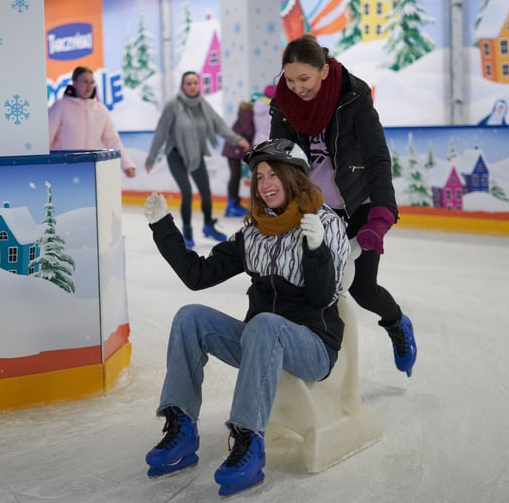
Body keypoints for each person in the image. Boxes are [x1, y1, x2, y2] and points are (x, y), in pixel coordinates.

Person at [141, 138, 350, 497]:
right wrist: (163, 228)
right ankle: (181, 429)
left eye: (274, 175)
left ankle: (248, 441)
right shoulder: (253, 232)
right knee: (190, 318)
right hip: (259, 341)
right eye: (259, 176)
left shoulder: (324, 224)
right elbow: (198, 277)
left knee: (265, 324)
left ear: (295, 177)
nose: (265, 183)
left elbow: (322, 298)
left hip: (312, 346)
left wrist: (316, 253)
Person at [269, 34, 417, 377]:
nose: (296, 88)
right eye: (289, 80)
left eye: (304, 79)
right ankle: (320, 367)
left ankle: (396, 322)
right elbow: (281, 162)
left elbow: (377, 155)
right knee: (313, 290)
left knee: (363, 288)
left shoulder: (353, 96)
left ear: (323, 70)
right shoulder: (282, 104)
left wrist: (381, 212)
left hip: (357, 202)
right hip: (317, 210)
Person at [144, 71, 250, 248]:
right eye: (188, 83)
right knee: (186, 192)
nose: (192, 86)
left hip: (196, 154)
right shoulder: (173, 105)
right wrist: (151, 157)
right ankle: (187, 230)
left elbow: (220, 126)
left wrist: (237, 139)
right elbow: (161, 132)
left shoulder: (203, 105)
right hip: (176, 154)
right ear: (182, 86)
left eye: (195, 83)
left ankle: (208, 225)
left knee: (206, 192)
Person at [48, 66, 136, 178]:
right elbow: (47, 138)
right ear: (74, 83)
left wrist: (127, 165)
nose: (89, 86)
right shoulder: (59, 107)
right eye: (85, 82)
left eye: (92, 82)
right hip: (62, 171)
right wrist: (41, 166)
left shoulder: (101, 110)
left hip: (89, 172)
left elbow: (113, 141)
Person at [221, 100, 255, 217]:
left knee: (236, 175)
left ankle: (234, 204)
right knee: (235, 176)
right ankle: (231, 206)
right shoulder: (247, 113)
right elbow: (248, 130)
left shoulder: (243, 113)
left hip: (233, 148)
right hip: (234, 149)